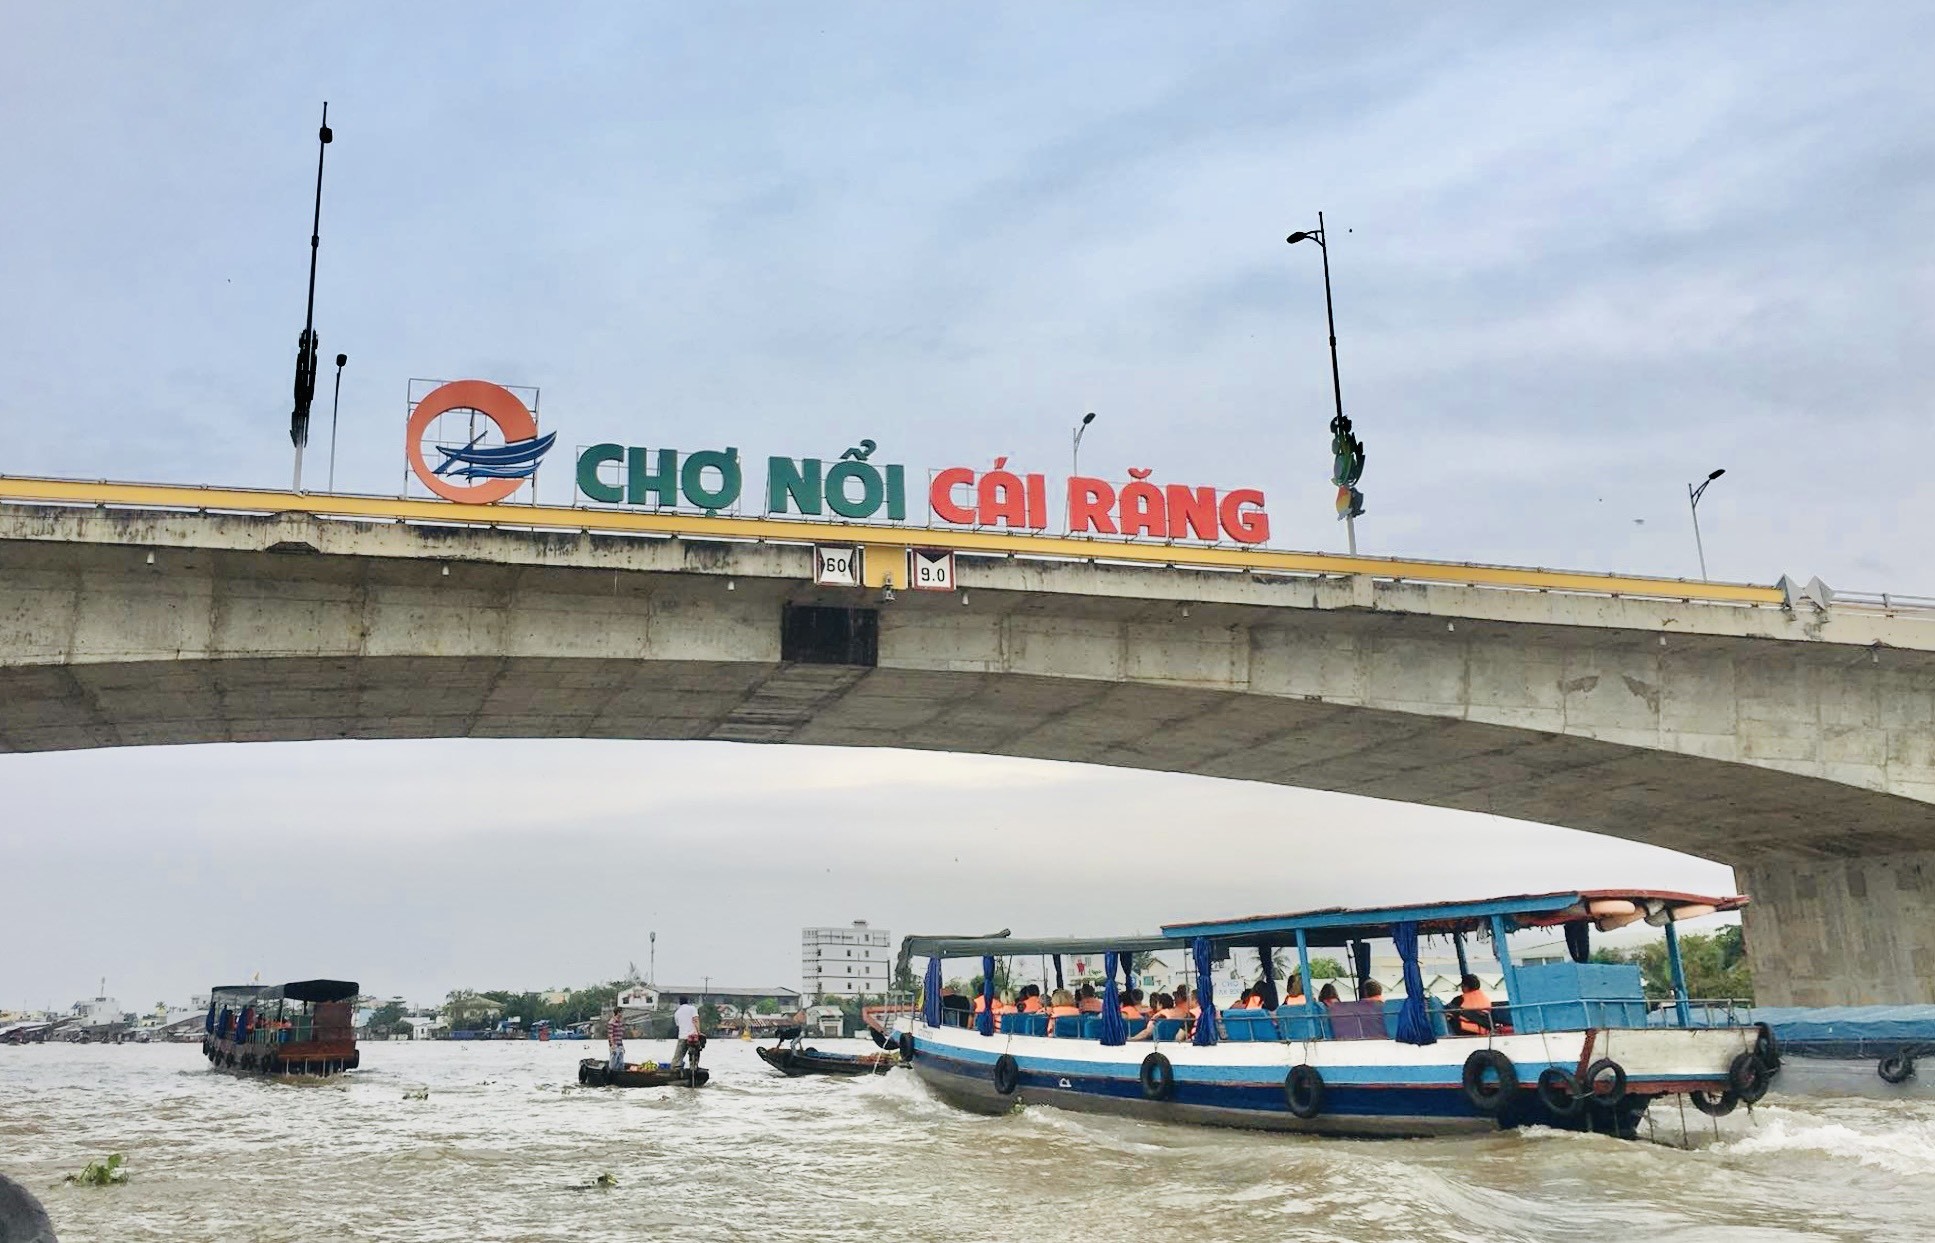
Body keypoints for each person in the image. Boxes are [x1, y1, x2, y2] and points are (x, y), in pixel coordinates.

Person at [673, 996, 703, 1079]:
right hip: (693, 1037)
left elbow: (678, 1025)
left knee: (678, 1057)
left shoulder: (677, 1012)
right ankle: (694, 1068)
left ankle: (675, 1071)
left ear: (680, 1002)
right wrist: (699, 1032)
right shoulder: (692, 1008)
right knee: (694, 1054)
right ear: (688, 1001)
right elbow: (695, 1020)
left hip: (682, 1037)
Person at [606, 1004, 626, 1073]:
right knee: (613, 1063)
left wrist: (622, 1046)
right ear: (618, 1012)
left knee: (621, 1063)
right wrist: (612, 1045)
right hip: (615, 1045)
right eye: (621, 1012)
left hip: (620, 1044)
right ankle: (611, 1075)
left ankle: (620, 1075)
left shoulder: (620, 1022)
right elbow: (610, 1035)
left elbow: (620, 1036)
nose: (622, 1014)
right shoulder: (611, 1022)